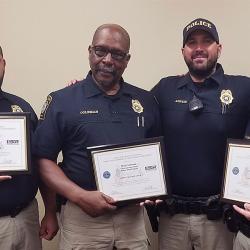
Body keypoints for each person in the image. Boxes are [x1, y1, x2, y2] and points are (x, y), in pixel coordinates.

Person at [33, 24, 161, 250]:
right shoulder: (63, 100)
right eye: (101, 51)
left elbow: (155, 157)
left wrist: (154, 189)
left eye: (117, 54)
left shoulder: (146, 101)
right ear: (90, 51)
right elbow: (43, 160)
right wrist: (80, 196)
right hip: (82, 221)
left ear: (127, 59)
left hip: (132, 221)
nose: (108, 60)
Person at [151, 18, 250, 250]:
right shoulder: (165, 88)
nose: (199, 47)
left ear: (219, 48)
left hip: (218, 220)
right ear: (183, 51)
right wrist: (86, 88)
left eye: (207, 41)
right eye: (191, 42)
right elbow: (129, 110)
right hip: (172, 218)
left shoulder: (243, 88)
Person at [0, 46, 58, 249]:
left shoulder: (21, 108)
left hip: (26, 218)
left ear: (4, 64)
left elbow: (42, 160)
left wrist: (50, 211)